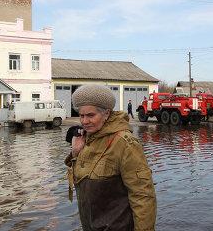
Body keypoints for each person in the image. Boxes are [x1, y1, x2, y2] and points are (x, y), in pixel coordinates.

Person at [64, 84, 157, 231]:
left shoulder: (125, 143)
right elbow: (83, 186)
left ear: (106, 113)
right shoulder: (87, 139)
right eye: (81, 115)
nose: (84, 121)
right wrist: (75, 153)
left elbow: (143, 196)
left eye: (90, 115)